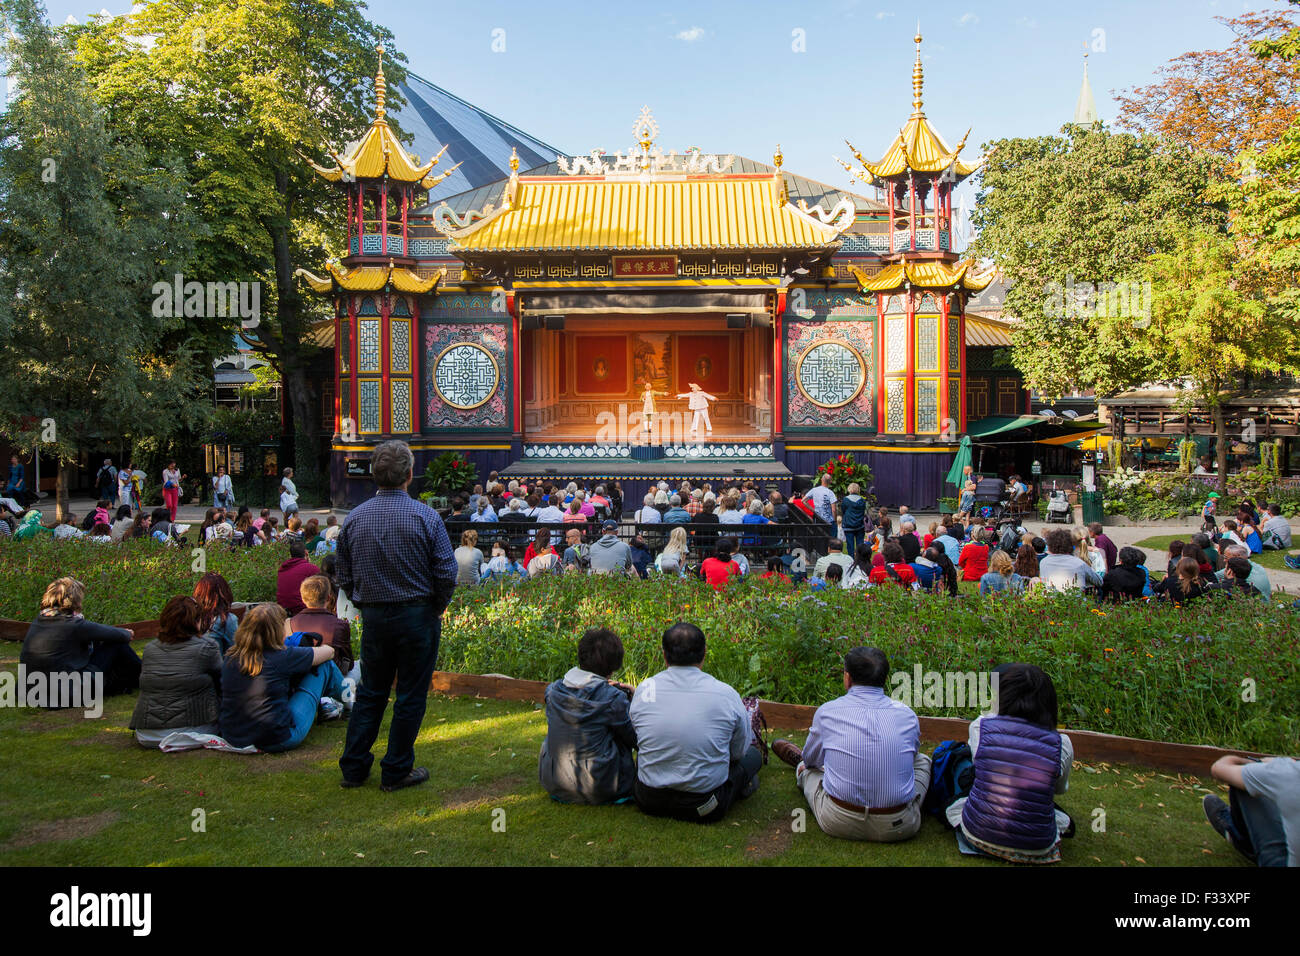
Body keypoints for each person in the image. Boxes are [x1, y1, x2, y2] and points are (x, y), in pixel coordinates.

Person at [337, 441, 457, 791]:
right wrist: (435, 606)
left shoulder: (355, 518)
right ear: (409, 474)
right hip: (417, 616)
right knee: (410, 695)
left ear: (375, 474)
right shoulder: (426, 516)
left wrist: (365, 603)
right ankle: (396, 769)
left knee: (371, 692)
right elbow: (446, 573)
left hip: (376, 617)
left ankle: (354, 768)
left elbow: (343, 573)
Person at [772, 647, 929, 841]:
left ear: (847, 678)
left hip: (838, 820)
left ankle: (800, 770)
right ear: (884, 679)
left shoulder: (828, 711)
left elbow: (811, 760)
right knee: (922, 761)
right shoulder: (907, 715)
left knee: (808, 769)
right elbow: (911, 754)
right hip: (899, 825)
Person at [630, 622, 763, 823]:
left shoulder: (645, 689)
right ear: (704, 654)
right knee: (753, 756)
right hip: (704, 806)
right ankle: (742, 786)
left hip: (648, 800)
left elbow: (639, 737)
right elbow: (737, 753)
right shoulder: (725, 694)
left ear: (664, 655)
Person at [946, 663, 1074, 863]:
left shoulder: (982, 726)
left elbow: (979, 769)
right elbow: (1059, 789)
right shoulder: (1061, 743)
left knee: (960, 764)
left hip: (978, 835)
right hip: (1037, 846)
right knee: (1056, 814)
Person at [219, 603, 344, 752]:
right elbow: (329, 652)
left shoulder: (230, 656)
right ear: (277, 631)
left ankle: (343, 702)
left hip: (234, 736)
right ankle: (352, 702)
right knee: (325, 665)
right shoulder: (282, 657)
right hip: (278, 738)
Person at [538, 628, 638, 805]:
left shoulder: (553, 691)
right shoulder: (612, 698)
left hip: (555, 780)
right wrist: (634, 698)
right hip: (600, 786)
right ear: (613, 666)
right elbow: (636, 739)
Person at [20, 577, 141, 699]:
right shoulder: (74, 625)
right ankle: (147, 676)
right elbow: (122, 635)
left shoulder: (39, 620)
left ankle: (132, 679)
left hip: (32, 690)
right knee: (117, 645)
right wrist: (126, 632)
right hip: (65, 692)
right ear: (75, 599)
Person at [129, 596, 223, 747]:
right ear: (196, 621)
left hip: (148, 732)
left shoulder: (150, 649)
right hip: (193, 730)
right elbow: (223, 683)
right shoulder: (206, 647)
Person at [1203, 753, 1299, 867]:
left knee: (1244, 784)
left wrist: (1256, 763)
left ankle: (1242, 839)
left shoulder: (1288, 772)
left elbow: (1218, 768)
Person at [291, 574, 355, 676]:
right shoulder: (340, 625)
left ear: (303, 599)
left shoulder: (291, 623)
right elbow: (349, 662)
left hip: (300, 677)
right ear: (329, 597)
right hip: (332, 677)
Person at [1037, 528, 1102, 592]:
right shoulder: (1079, 563)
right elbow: (1099, 581)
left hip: (1051, 600)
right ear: (1070, 545)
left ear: (1049, 546)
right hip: (1075, 600)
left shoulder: (1043, 562)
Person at [193, 572, 239, 654]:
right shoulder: (227, 620)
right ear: (225, 594)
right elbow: (236, 652)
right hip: (216, 665)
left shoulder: (190, 617)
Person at [275, 540, 318, 615]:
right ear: (306, 553)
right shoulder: (311, 568)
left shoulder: (282, 568)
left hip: (283, 609)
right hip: (302, 610)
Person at [839, 482, 868, 557]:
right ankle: (861, 560)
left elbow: (843, 510)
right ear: (858, 490)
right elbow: (863, 511)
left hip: (848, 525)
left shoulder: (845, 500)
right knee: (860, 545)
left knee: (850, 545)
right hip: (860, 525)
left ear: (849, 489)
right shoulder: (862, 500)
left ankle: (851, 561)